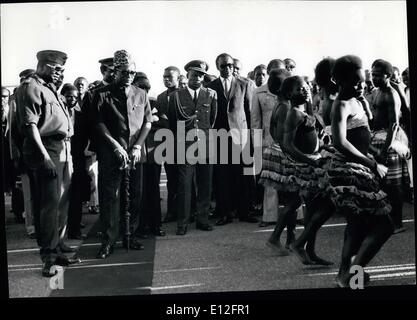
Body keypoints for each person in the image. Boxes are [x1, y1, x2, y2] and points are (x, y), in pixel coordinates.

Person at [327, 55, 393, 287]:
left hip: (360, 167)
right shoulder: (341, 104)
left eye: (362, 81)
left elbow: (364, 134)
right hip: (348, 171)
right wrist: (372, 163)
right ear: (338, 81)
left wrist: (374, 154)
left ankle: (346, 275)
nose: (361, 85)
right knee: (385, 225)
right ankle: (353, 272)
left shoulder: (357, 100)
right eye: (355, 82)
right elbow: (340, 142)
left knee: (356, 225)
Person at [15, 50, 79, 277]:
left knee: (61, 204)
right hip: (47, 149)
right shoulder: (30, 87)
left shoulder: (49, 88)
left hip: (63, 148)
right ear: (44, 65)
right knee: (49, 207)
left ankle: (59, 250)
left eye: (62, 69)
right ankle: (49, 258)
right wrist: (44, 157)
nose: (60, 72)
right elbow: (30, 126)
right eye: (57, 68)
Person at [87, 50, 152, 259]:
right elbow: (98, 123)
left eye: (132, 72)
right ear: (115, 71)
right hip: (111, 153)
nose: (129, 76)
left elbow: (147, 122)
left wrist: (136, 147)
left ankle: (129, 235)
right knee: (110, 198)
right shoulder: (101, 93)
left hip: (135, 152)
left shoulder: (141, 93)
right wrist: (116, 146)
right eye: (125, 72)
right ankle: (108, 240)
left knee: (134, 195)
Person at [206, 53, 257, 225]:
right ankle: (225, 212)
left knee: (243, 175)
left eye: (229, 65)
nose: (227, 69)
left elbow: (250, 113)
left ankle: (245, 211)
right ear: (217, 67)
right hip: (220, 137)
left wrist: (251, 139)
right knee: (223, 176)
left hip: (241, 136)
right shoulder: (210, 86)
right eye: (223, 66)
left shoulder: (245, 84)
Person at [168, 60, 217, 235]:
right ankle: (183, 223)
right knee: (185, 184)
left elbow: (212, 120)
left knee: (205, 183)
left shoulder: (210, 94)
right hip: (185, 145)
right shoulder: (176, 96)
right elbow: (173, 122)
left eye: (201, 75)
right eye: (194, 74)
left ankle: (202, 219)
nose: (197, 78)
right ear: (187, 74)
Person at [370, 59, 410, 234]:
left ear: (387, 75)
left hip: (391, 141)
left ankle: (397, 223)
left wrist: (385, 150)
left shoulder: (391, 94)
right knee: (384, 184)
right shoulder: (377, 91)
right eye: (372, 74)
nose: (374, 78)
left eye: (377, 75)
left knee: (395, 184)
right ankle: (387, 221)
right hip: (379, 138)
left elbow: (394, 124)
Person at [132, 74, 166, 238]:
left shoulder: (154, 103)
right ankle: (139, 227)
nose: (144, 91)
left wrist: (151, 121)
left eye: (146, 88)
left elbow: (165, 123)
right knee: (139, 193)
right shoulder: (130, 102)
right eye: (140, 87)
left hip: (153, 154)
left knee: (153, 191)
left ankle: (155, 225)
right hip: (137, 155)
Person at [252, 69, 284, 227]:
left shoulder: (291, 88)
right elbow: (255, 121)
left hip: (289, 138)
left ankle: (297, 213)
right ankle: (270, 216)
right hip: (268, 140)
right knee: (270, 179)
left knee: (294, 177)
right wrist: (257, 145)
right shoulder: (258, 92)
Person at [63, 83, 89, 240]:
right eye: (68, 96)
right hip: (62, 158)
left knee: (76, 196)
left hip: (78, 159)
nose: (71, 99)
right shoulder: (59, 113)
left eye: (74, 96)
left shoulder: (81, 116)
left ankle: (74, 230)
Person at [156, 66, 181, 223]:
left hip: (184, 143)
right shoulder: (160, 97)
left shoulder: (184, 95)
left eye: (170, 77)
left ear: (178, 78)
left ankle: (187, 210)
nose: (166, 79)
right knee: (171, 179)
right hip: (168, 143)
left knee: (185, 180)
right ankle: (172, 211)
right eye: (164, 77)